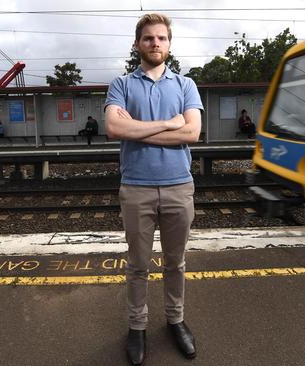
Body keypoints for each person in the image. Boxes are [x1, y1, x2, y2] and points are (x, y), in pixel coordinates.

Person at [104, 13, 203, 366]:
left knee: (175, 263)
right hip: (136, 188)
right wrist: (167, 124)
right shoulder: (121, 85)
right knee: (137, 265)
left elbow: (192, 133)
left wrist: (140, 129)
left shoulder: (186, 85)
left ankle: (175, 321)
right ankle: (137, 327)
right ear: (137, 44)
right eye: (148, 38)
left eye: (161, 38)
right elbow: (115, 127)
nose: (155, 43)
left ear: (169, 44)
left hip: (179, 187)